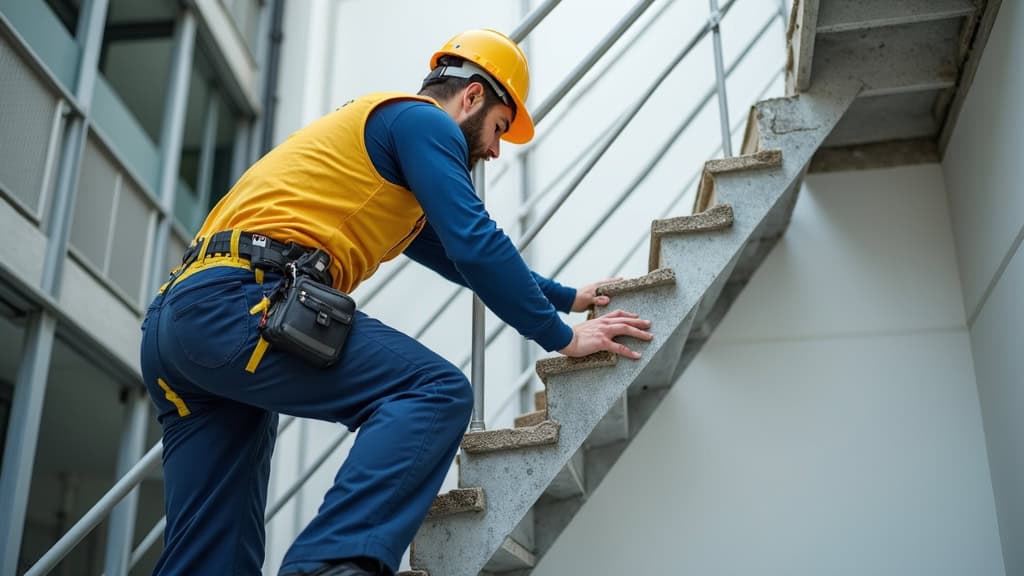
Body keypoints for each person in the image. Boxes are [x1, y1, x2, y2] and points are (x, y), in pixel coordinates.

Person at [139, 28, 653, 576]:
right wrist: (563, 337)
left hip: (182, 323)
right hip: (241, 307)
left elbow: (460, 257)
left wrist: (566, 297)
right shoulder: (423, 122)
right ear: (472, 97)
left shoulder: (388, 155)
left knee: (212, 553)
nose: (496, 149)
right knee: (433, 391)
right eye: (500, 128)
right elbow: (475, 242)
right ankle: (331, 565)